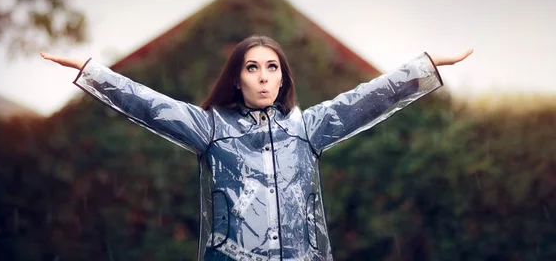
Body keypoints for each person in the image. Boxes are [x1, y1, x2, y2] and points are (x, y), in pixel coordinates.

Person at [41, 35, 473, 261]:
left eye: (272, 68)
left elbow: (367, 98)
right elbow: (149, 105)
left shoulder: (308, 130)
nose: (264, 76)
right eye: (252, 68)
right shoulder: (210, 129)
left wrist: (425, 66)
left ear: (283, 78)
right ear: (237, 78)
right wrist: (92, 72)